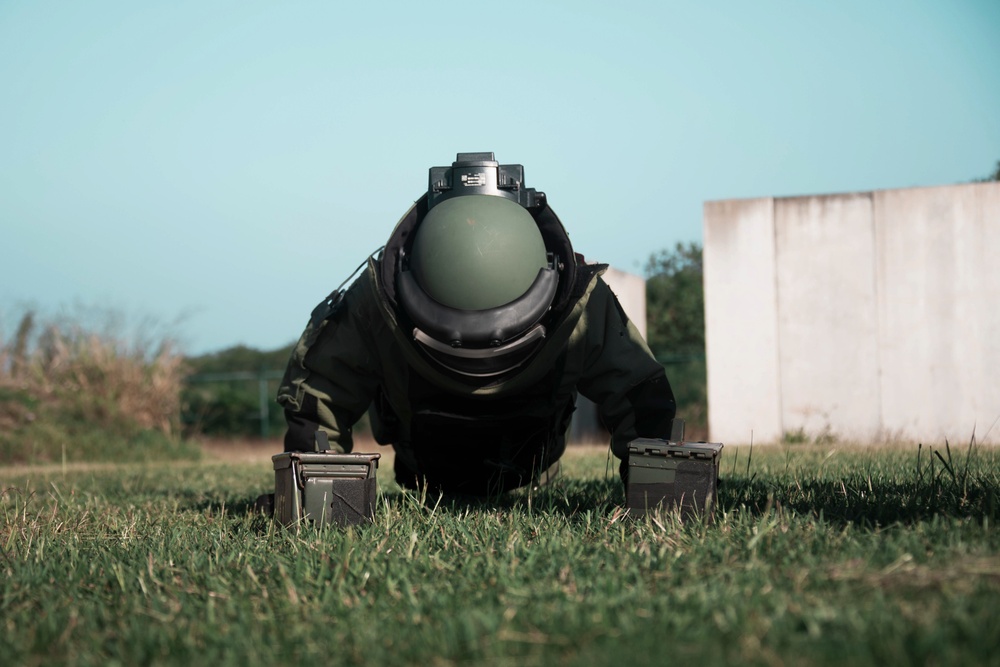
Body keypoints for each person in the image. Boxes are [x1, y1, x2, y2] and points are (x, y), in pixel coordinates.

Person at [276, 152, 676, 496]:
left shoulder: (579, 303)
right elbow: (639, 393)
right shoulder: (582, 304)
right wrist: (663, 489)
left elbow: (320, 391)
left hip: (446, 468)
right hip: (451, 470)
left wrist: (317, 487)